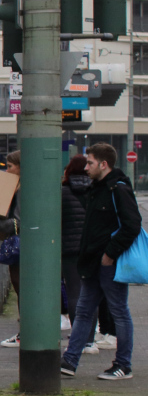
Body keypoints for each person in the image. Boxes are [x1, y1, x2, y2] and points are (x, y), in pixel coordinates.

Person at [62, 142, 138, 380]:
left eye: (91, 162)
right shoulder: (97, 188)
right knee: (84, 311)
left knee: (118, 312)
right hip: (93, 262)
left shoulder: (118, 189)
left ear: (103, 164)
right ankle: (69, 361)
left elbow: (132, 225)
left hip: (108, 263)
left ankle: (123, 365)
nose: (86, 167)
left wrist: (110, 254)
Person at [0, 151, 22, 347]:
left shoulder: (22, 191)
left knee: (22, 289)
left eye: (10, 166)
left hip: (21, 247)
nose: (6, 170)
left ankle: (24, 333)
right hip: (22, 246)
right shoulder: (16, 188)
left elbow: (18, 223)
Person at [60, 155, 93, 344]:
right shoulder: (95, 190)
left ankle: (78, 337)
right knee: (90, 292)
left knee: (74, 292)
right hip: (91, 249)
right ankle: (89, 340)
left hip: (69, 250)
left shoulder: (63, 192)